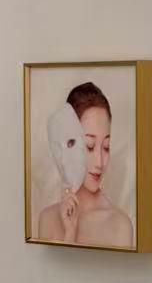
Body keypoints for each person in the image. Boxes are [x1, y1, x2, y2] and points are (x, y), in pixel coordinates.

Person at [37, 81, 134, 248]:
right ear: (68, 144)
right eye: (90, 146)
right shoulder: (47, 219)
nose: (100, 162)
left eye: (106, 147)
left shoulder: (120, 225)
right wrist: (70, 233)